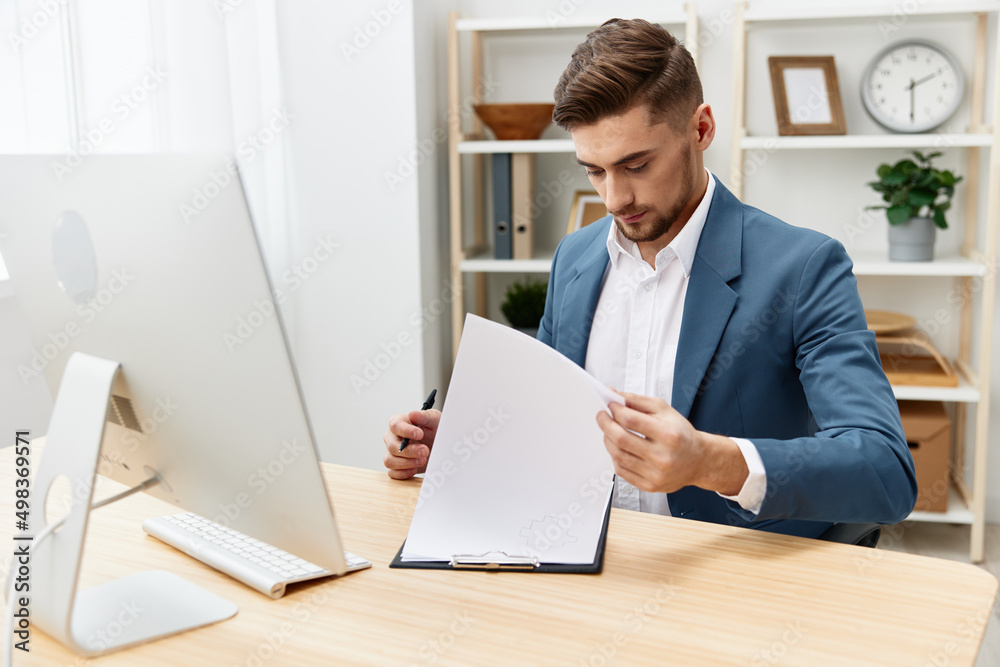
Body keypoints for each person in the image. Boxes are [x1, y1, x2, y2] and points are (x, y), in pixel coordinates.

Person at [383, 18, 917, 538]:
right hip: (590, 558)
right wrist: (459, 443)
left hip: (734, 580)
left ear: (701, 129)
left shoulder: (803, 266)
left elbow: (885, 468)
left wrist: (711, 462)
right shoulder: (574, 258)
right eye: (594, 171)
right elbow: (552, 421)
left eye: (635, 165)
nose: (614, 199)